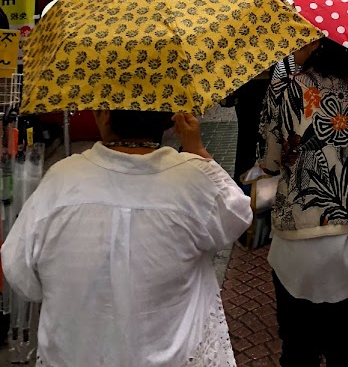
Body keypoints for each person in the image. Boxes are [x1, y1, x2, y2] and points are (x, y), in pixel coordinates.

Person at [1, 109, 252, 367]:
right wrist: (198, 151)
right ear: (167, 119)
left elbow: (21, 275)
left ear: (105, 115)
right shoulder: (194, 180)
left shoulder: (60, 180)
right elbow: (237, 216)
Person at [258, 37, 348, 367]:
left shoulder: (283, 89)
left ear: (311, 46)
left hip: (294, 238)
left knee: (296, 345)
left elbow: (268, 161)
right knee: (343, 338)